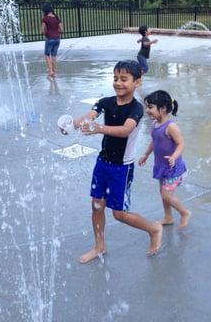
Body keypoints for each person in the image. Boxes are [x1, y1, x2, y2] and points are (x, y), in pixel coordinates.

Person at [60, 60, 162, 263]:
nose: (118, 83)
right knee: (96, 205)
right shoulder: (106, 101)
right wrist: (70, 125)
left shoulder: (136, 109)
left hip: (121, 168)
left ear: (137, 83)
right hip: (103, 163)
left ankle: (154, 229)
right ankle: (99, 246)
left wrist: (99, 129)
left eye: (124, 79)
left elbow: (125, 131)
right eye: (115, 78)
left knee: (119, 214)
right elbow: (89, 115)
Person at [138, 90, 191, 230]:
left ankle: (185, 212)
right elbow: (154, 141)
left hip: (173, 168)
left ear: (162, 109)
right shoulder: (155, 124)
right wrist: (146, 154)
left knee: (166, 195)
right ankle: (168, 217)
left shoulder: (171, 127)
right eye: (147, 107)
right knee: (163, 193)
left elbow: (181, 144)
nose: (147, 110)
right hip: (162, 166)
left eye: (150, 107)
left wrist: (174, 156)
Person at [41, 3, 63, 78]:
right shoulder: (56, 18)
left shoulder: (45, 19)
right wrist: (56, 32)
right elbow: (61, 29)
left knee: (47, 55)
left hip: (49, 39)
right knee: (54, 55)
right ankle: (54, 70)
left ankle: (50, 71)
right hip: (57, 39)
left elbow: (43, 31)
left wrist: (47, 32)